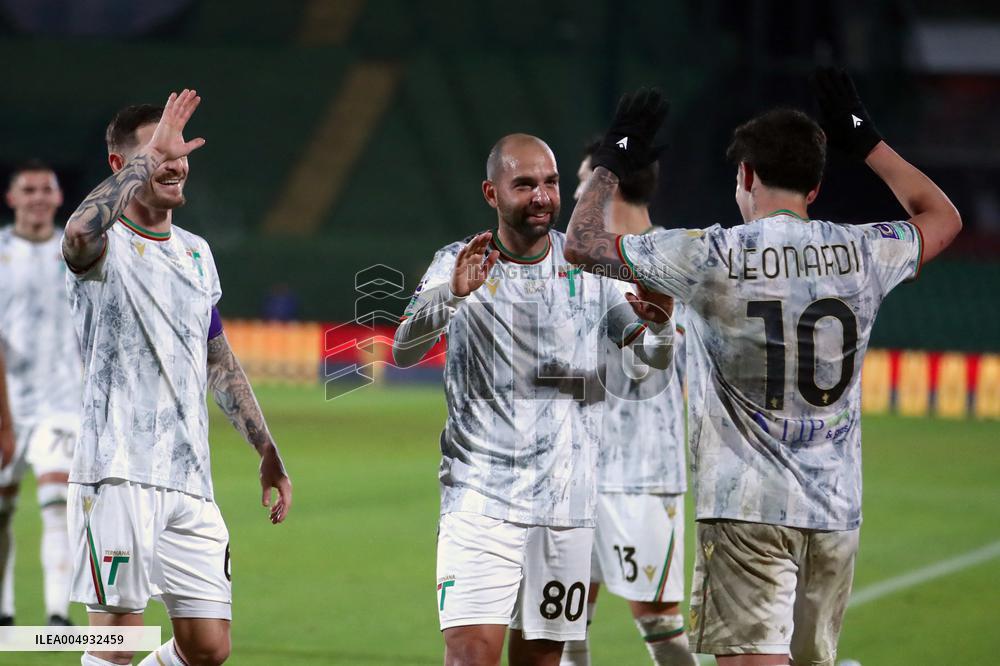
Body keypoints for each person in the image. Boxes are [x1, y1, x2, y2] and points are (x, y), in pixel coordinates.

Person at [564, 72, 961, 666]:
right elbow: (942, 216)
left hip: (745, 508)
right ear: (816, 186)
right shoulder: (862, 251)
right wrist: (868, 141)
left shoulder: (711, 255)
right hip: (835, 512)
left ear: (746, 176)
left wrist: (610, 160)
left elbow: (582, 242)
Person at [393, 133, 675, 666]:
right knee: (469, 657)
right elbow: (405, 350)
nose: (542, 196)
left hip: (565, 509)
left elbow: (649, 361)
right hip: (480, 500)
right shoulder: (458, 262)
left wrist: (661, 322)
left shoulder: (589, 268)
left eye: (549, 182)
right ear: (491, 193)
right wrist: (450, 296)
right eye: (524, 185)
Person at [61, 90, 293, 666]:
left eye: (182, 152)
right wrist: (150, 155)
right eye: (160, 152)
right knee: (115, 644)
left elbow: (217, 358)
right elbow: (77, 234)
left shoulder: (197, 254)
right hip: (117, 471)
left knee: (208, 647)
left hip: (189, 476)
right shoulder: (104, 245)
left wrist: (265, 444)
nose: (177, 162)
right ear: (122, 165)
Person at [559, 145, 695, 666]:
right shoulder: (574, 263)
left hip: (641, 471)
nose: (575, 196)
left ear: (605, 187)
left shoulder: (678, 254)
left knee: (659, 624)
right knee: (564, 624)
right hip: (572, 472)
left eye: (581, 183)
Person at [0, 160, 81, 626]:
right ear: (12, 199)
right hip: (6, 402)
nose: (37, 197)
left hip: (63, 402)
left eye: (45, 189)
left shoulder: (75, 253)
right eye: (27, 189)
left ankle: (56, 615)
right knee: (3, 511)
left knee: (56, 505)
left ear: (57, 198)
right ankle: (5, 613)